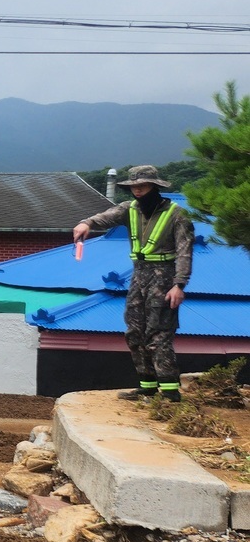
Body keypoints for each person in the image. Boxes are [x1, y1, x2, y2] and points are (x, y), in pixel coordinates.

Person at [73, 165, 194, 401]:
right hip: (138, 276)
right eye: (134, 187)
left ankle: (170, 391)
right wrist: (86, 223)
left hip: (164, 277)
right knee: (135, 332)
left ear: (154, 186)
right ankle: (147, 385)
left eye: (143, 186)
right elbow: (105, 217)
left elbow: (184, 252)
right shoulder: (129, 209)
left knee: (159, 333)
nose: (137, 191)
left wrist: (179, 285)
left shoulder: (177, 214)